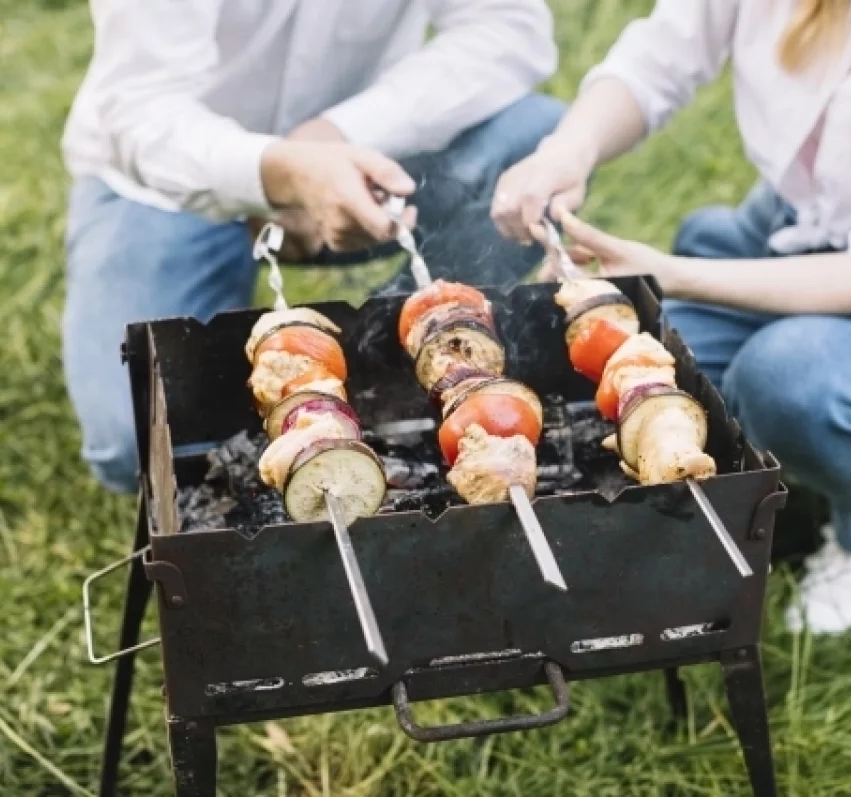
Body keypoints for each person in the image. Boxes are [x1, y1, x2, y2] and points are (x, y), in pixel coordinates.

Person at [492, 0, 851, 634]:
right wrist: (569, 150)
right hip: (777, 235)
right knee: (648, 381)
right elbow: (663, 54)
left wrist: (677, 274)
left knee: (787, 382)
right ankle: (782, 483)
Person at [62, 0, 564, 494]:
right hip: (167, 185)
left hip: (368, 158)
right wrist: (275, 172)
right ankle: (299, 385)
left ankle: (399, 354)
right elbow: (138, 108)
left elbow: (507, 26)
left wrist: (334, 135)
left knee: (537, 141)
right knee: (135, 441)